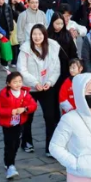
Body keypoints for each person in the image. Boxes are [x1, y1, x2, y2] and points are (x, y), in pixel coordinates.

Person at [18, 24, 62, 155]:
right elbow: (22, 70)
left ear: (44, 35)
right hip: (30, 88)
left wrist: (50, 82)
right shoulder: (25, 49)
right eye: (34, 34)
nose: (37, 37)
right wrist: (35, 82)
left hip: (47, 88)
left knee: (50, 117)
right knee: (28, 116)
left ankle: (50, 146)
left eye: (40, 34)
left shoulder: (52, 47)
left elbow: (56, 69)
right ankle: (27, 142)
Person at [0, 71, 37, 179]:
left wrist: (25, 109)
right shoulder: (4, 95)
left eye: (20, 81)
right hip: (7, 124)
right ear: (8, 84)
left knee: (16, 143)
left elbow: (33, 105)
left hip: (19, 123)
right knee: (9, 143)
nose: (18, 84)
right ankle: (10, 165)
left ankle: (9, 161)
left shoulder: (24, 93)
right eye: (15, 82)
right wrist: (9, 112)